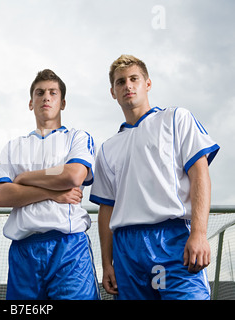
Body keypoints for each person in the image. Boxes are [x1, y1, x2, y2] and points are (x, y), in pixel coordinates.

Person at [90, 54, 220, 300]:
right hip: (127, 248)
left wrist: (200, 233)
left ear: (147, 83)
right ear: (112, 92)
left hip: (173, 239)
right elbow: (107, 207)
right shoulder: (108, 148)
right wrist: (107, 263)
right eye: (120, 82)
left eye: (134, 79)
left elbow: (200, 174)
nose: (127, 85)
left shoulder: (175, 118)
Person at [0, 69, 100, 300]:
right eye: (40, 93)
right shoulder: (13, 146)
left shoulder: (77, 137)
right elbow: (0, 195)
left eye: (52, 93)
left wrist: (25, 178)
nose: (46, 97)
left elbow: (72, 175)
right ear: (31, 103)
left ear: (63, 102)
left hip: (68, 246)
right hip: (24, 249)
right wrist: (52, 193)